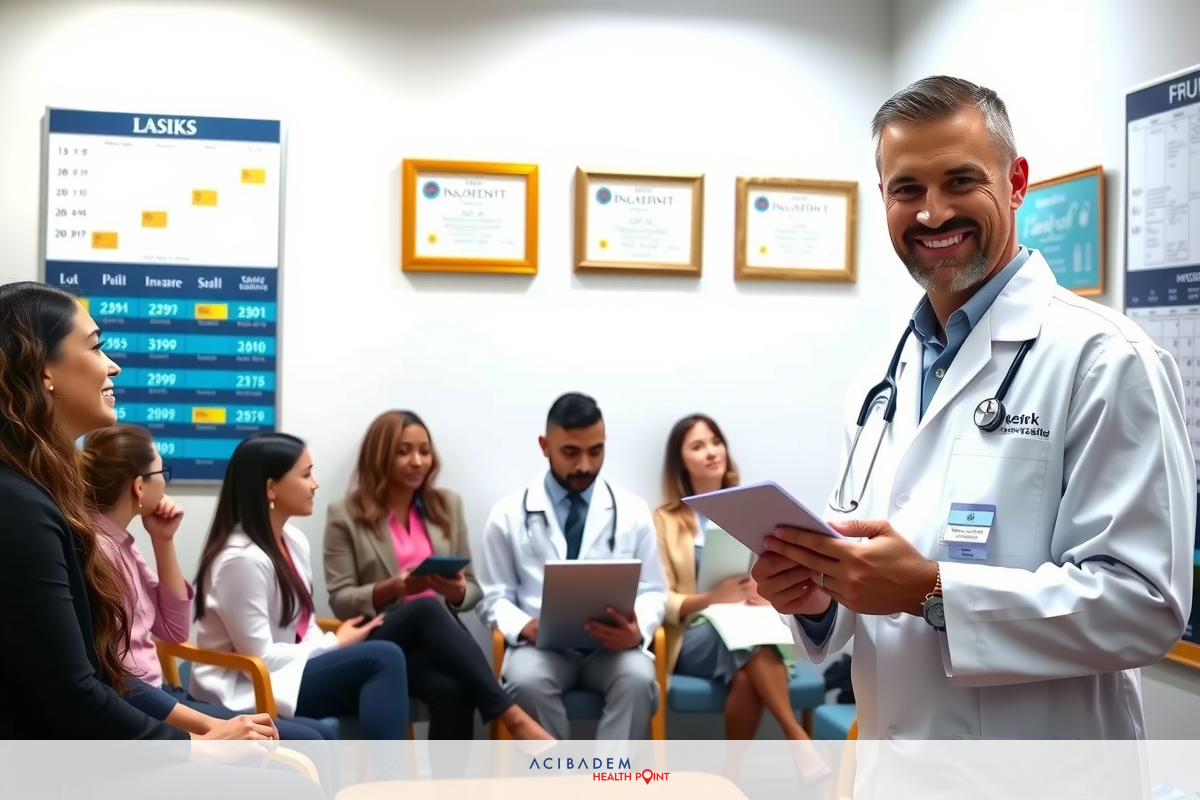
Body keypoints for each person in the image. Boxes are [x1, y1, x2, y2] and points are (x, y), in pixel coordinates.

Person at [752, 75, 1193, 757]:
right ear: (883, 199)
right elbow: (865, 586)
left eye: (961, 181)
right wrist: (814, 597)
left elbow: (1144, 607)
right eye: (907, 190)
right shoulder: (877, 380)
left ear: (1016, 182)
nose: (932, 214)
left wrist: (932, 592)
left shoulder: (1107, 359)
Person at [0, 281, 324, 799]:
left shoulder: (44, 503)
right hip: (49, 765)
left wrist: (201, 734)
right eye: (96, 345)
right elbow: (72, 693)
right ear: (44, 369)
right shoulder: (18, 505)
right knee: (290, 780)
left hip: (101, 731)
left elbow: (133, 655)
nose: (113, 366)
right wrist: (197, 745)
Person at [81, 424, 334, 741]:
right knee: (311, 738)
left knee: (317, 733)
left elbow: (174, 630)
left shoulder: (122, 544)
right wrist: (207, 727)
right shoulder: (99, 555)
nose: (165, 482)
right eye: (162, 472)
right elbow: (121, 678)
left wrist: (163, 539)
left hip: (163, 695)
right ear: (139, 487)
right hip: (144, 705)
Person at [323, 409, 553, 746]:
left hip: (435, 645)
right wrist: (393, 587)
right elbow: (341, 601)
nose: (417, 461)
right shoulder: (345, 515)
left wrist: (458, 590)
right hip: (382, 637)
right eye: (404, 452)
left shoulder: (447, 506)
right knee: (428, 609)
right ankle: (512, 716)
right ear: (379, 456)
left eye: (424, 451)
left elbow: (474, 589)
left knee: (453, 691)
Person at [188, 431, 411, 761]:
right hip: (247, 688)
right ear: (271, 488)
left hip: (287, 673)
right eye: (306, 474)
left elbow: (303, 627)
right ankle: (386, 788)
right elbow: (260, 660)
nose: (316, 483)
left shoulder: (293, 541)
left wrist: (330, 643)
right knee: (383, 657)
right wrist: (335, 644)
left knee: (396, 658)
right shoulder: (242, 560)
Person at [475, 392, 668, 740]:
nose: (584, 466)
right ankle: (558, 782)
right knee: (525, 682)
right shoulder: (507, 515)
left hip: (612, 649)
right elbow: (493, 598)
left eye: (595, 451)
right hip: (540, 649)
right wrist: (523, 627)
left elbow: (654, 590)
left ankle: (610, 785)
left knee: (638, 679)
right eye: (570, 452)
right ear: (544, 445)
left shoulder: (633, 511)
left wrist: (637, 629)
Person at [654, 414, 828, 783]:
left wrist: (765, 592)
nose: (711, 452)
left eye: (715, 441)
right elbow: (659, 599)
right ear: (680, 461)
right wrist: (710, 598)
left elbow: (772, 571)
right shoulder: (665, 521)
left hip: (748, 627)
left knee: (748, 671)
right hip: (693, 636)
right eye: (697, 446)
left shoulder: (751, 509)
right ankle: (798, 737)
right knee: (748, 644)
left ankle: (729, 776)